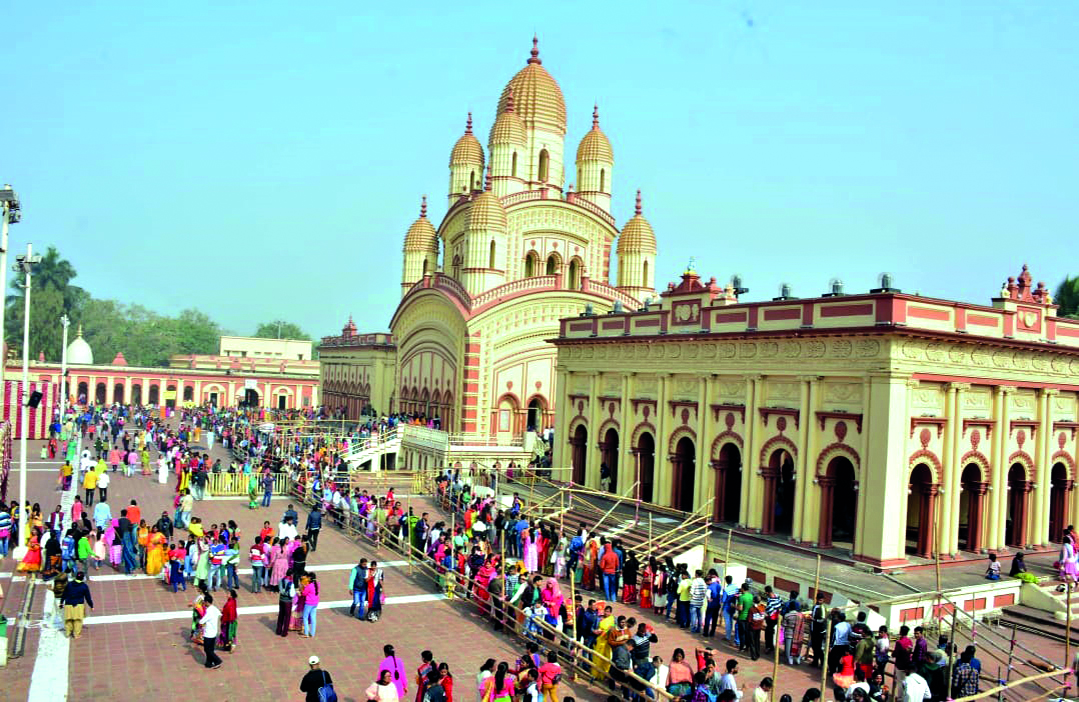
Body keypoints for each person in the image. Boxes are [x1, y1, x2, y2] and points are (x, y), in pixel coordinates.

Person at [61, 571, 94, 639]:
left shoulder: (69, 584)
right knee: (78, 620)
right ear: (82, 578)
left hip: (68, 604)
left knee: (68, 619)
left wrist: (61, 602)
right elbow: (88, 597)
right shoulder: (84, 586)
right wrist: (91, 606)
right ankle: (76, 634)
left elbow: (64, 594)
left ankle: (68, 633)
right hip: (78, 605)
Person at [199, 593, 223, 669]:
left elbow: (201, 621)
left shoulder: (209, 611)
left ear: (206, 602)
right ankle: (208, 663)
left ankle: (217, 660)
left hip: (208, 633)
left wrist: (201, 622)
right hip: (214, 632)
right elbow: (220, 614)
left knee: (207, 650)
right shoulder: (214, 608)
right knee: (211, 649)